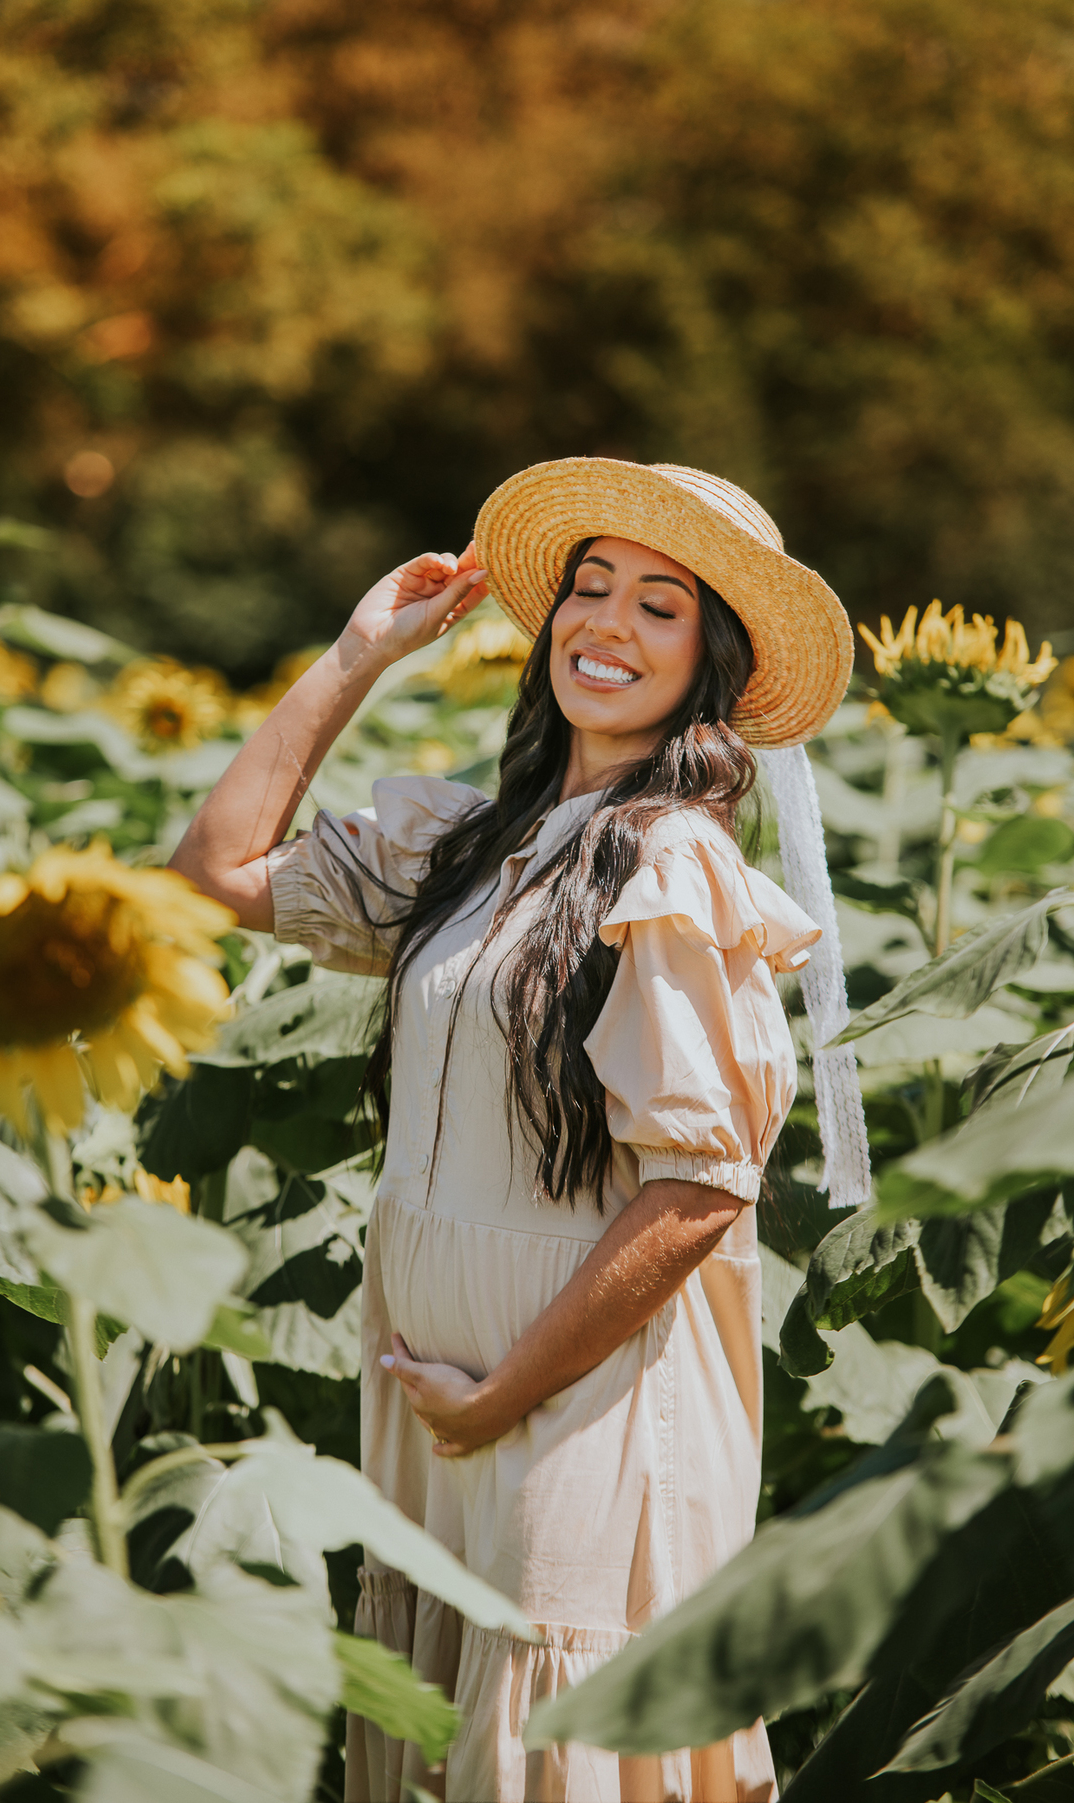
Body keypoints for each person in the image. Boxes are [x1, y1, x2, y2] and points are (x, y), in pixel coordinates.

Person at [169, 458, 855, 1803]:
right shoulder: (476, 850)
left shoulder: (674, 868)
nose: (605, 625)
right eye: (587, 590)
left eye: (660, 605)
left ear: (712, 656)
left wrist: (504, 1396)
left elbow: (702, 1189)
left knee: (550, 1753)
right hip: (443, 1406)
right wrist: (361, 653)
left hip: (581, 1409)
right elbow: (215, 874)